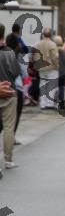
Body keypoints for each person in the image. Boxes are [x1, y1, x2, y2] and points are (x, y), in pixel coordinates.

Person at [0, 23, 20, 173]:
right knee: (8, 127)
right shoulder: (9, 52)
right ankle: (8, 159)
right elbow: (15, 71)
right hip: (8, 92)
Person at [33, 27, 59, 109]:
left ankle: (42, 103)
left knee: (43, 85)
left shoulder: (38, 44)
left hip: (41, 68)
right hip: (51, 68)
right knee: (51, 85)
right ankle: (49, 103)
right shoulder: (52, 44)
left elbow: (34, 56)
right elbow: (54, 57)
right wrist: (57, 66)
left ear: (43, 34)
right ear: (51, 35)